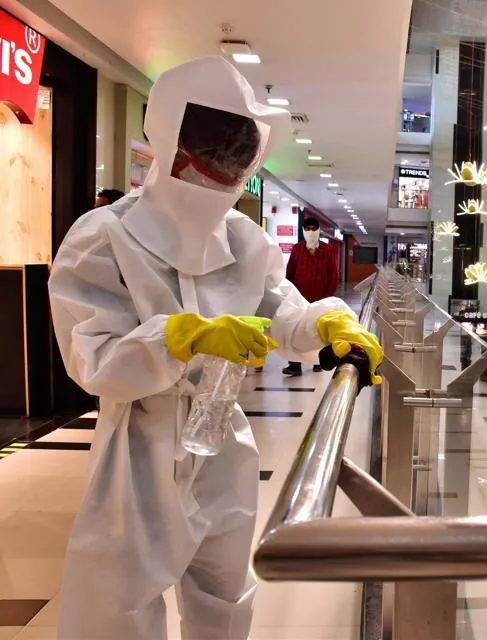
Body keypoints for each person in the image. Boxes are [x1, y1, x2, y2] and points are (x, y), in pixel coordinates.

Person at [47, 56, 383, 639]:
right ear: (170, 145)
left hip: (224, 437)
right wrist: (182, 337)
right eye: (209, 163)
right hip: (140, 445)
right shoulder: (104, 236)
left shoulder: (244, 240)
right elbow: (92, 358)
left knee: (225, 596)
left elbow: (283, 312)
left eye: (231, 166)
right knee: (118, 606)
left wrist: (332, 324)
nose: (217, 180)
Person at [282, 216, 340, 376]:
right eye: (307, 229)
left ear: (319, 230)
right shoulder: (297, 249)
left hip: (320, 299)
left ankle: (317, 362)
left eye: (314, 229)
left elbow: (333, 276)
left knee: (317, 331)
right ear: (303, 231)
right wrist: (289, 294)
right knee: (296, 330)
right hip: (298, 299)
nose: (311, 232)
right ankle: (294, 364)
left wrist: (327, 298)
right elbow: (290, 273)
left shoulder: (328, 250)